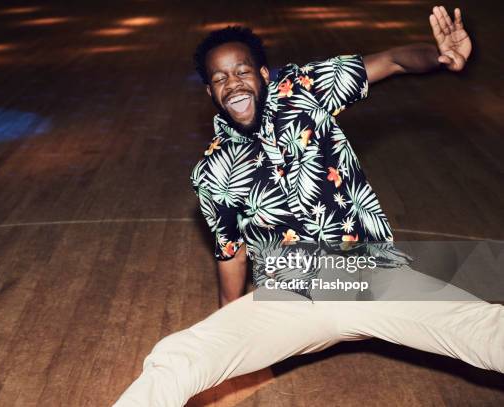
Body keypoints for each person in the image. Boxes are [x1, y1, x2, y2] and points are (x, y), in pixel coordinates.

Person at [113, 6, 503, 406]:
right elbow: (232, 253)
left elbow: (392, 61)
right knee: (175, 358)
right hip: (289, 298)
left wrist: (439, 58)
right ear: (210, 93)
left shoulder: (305, 90)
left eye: (242, 71)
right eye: (219, 78)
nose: (233, 84)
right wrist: (230, 331)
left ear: (264, 74)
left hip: (363, 276)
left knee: (483, 328)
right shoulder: (213, 170)